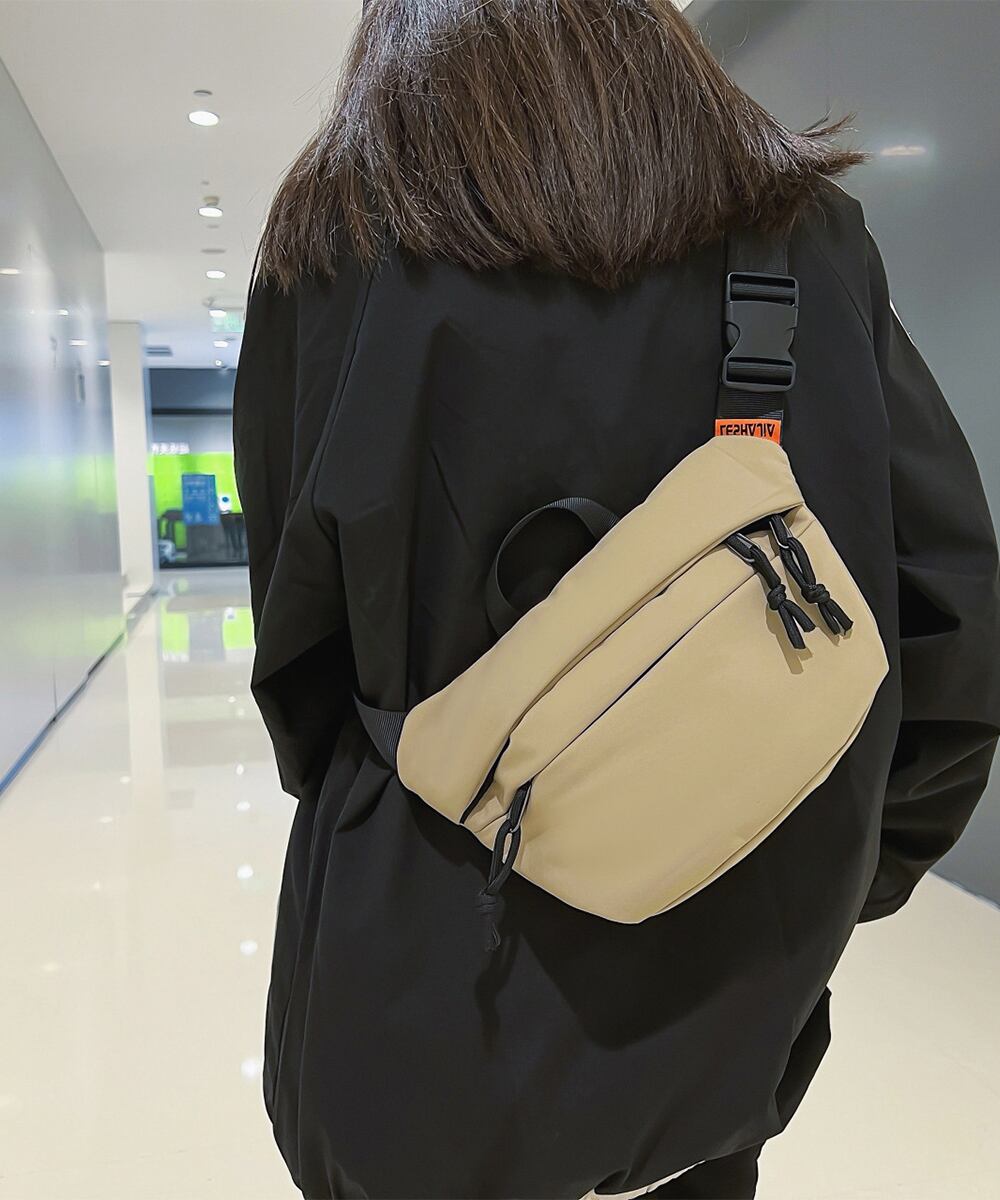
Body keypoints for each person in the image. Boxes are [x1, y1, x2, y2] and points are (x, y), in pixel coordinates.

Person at [233, 2, 1000, 1197]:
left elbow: (300, 656)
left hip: (428, 971)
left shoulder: (338, 249)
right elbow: (951, 623)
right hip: (718, 989)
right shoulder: (806, 242)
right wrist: (806, 889)